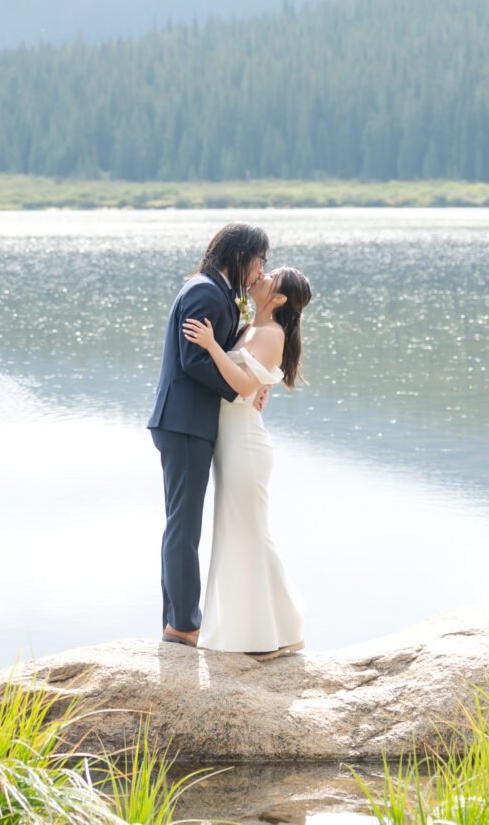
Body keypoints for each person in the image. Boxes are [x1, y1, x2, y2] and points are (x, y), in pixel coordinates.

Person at [146, 222, 268, 647]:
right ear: (240, 255)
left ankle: (177, 619)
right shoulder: (203, 291)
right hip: (182, 423)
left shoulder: (216, 291)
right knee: (183, 525)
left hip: (189, 423)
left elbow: (219, 354)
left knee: (182, 523)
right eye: (259, 261)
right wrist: (238, 390)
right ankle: (182, 623)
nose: (260, 272)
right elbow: (193, 360)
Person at [182, 266, 313, 657]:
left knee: (248, 532)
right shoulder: (250, 327)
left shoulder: (273, 335)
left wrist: (209, 345)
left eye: (270, 276)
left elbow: (242, 386)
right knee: (239, 532)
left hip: (246, 445)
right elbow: (250, 382)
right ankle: (277, 628)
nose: (261, 275)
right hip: (231, 440)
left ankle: (266, 635)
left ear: (281, 298)